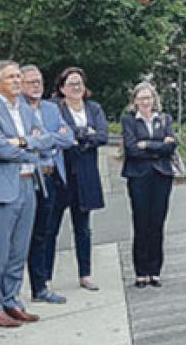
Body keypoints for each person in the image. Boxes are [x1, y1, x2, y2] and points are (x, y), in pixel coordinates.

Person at [0, 60, 55, 327]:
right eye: (11, 77)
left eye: (19, 76)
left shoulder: (25, 108)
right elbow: (0, 150)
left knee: (19, 249)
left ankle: (11, 300)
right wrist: (30, 146)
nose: (18, 81)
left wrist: (22, 142)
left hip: (28, 183)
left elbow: (47, 139)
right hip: (2, 189)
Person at [21, 65, 75, 304]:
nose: (36, 85)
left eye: (39, 81)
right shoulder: (18, 110)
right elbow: (26, 143)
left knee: (46, 232)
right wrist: (50, 139)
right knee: (27, 235)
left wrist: (42, 139)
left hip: (53, 177)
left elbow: (69, 137)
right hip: (30, 178)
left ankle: (41, 285)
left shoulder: (52, 109)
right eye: (31, 82)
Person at [54, 66, 109, 292]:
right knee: (51, 228)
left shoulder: (93, 108)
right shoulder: (55, 109)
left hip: (86, 175)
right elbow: (59, 135)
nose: (76, 88)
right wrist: (84, 133)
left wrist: (79, 137)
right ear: (61, 88)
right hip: (62, 175)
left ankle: (85, 274)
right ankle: (44, 278)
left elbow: (102, 135)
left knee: (83, 228)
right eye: (71, 84)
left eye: (79, 83)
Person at [120, 81, 176, 288]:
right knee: (141, 222)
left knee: (157, 223)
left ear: (154, 99)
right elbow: (132, 149)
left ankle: (155, 270)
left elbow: (171, 147)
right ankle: (141, 271)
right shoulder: (129, 120)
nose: (145, 102)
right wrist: (159, 146)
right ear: (134, 101)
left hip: (162, 175)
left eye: (149, 97)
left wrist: (148, 145)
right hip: (139, 176)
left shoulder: (164, 119)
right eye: (141, 98)